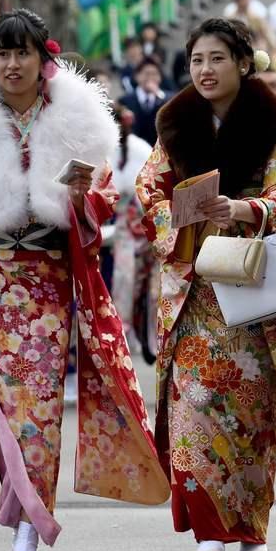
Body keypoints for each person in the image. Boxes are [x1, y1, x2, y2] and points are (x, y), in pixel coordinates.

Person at [0, 9, 167, 551]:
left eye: (21, 53)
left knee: (40, 408)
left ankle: (30, 527)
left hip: (47, 283)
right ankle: (24, 513)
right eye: (1, 54)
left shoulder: (77, 121)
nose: (11, 64)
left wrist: (81, 198)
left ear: (43, 61)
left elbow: (99, 203)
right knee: (1, 406)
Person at [136, 18, 276, 551]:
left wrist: (244, 210)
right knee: (194, 411)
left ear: (244, 63)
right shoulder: (174, 125)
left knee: (251, 417)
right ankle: (208, 537)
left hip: (252, 290)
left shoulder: (272, 124)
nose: (205, 70)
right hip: (196, 292)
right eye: (197, 60)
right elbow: (150, 188)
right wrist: (185, 209)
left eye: (217, 58)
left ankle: (252, 535)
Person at [107, 101, 155, 362]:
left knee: (145, 281)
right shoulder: (104, 149)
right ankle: (124, 329)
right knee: (124, 277)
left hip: (145, 220)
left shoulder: (139, 148)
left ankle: (143, 332)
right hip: (122, 220)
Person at [120, 55, 172, 146]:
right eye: (147, 73)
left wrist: (159, 96)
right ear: (137, 76)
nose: (151, 77)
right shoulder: (125, 101)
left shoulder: (169, 99)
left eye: (155, 74)